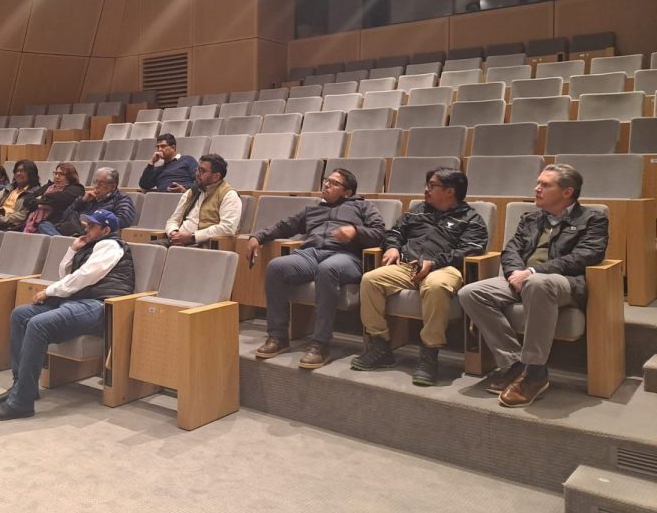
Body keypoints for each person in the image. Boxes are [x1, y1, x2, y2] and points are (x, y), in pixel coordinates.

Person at [458, 164, 608, 408]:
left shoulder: (592, 219)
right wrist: (515, 274)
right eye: (538, 183)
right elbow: (511, 250)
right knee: (470, 293)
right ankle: (516, 364)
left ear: (567, 192)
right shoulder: (531, 218)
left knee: (537, 283)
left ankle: (535, 372)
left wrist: (532, 272)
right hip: (522, 279)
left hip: (563, 282)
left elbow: (586, 255)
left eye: (545, 185)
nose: (537, 188)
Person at [0, 209, 135, 420]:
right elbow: (66, 276)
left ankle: (21, 402)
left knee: (37, 324)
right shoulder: (90, 246)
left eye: (92, 225)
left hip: (100, 305)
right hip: (79, 301)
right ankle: (22, 386)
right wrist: (72, 250)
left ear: (106, 230)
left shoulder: (110, 245)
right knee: (20, 315)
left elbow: (84, 277)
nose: (86, 228)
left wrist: (49, 292)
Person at [351, 168, 489, 386]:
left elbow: (470, 250)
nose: (426, 189)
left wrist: (434, 263)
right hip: (408, 266)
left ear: (450, 191)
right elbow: (394, 232)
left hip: (445, 268)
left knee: (435, 286)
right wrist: (393, 247)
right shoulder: (417, 211)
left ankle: (429, 354)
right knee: (371, 279)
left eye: (432, 186)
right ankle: (380, 346)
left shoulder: (471, 219)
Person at [250, 169, 386, 369]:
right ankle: (278, 336)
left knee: (327, 269)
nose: (326, 185)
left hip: (346, 256)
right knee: (276, 267)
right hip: (311, 254)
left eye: (334, 183)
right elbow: (284, 226)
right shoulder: (313, 210)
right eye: (326, 181)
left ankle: (320, 344)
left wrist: (355, 231)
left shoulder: (363, 207)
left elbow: (380, 233)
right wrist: (258, 236)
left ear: (347, 192)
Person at [153, 154, 241, 247]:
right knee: (148, 249)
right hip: (177, 241)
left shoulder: (229, 195)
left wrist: (193, 237)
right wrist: (174, 233)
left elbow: (228, 227)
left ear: (216, 176)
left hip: (203, 244)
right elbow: (173, 220)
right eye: (198, 169)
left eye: (202, 171)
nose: (197, 174)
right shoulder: (191, 192)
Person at [54, 166, 136, 235]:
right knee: (47, 225)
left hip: (94, 235)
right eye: (95, 182)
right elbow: (64, 217)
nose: (96, 186)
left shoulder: (121, 198)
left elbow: (123, 220)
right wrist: (82, 201)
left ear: (113, 187)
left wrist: (93, 224)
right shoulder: (89, 198)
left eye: (101, 183)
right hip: (73, 230)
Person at [0, 160, 42, 231]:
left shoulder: (35, 193)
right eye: (17, 171)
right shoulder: (9, 188)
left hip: (11, 226)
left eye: (22, 171)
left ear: (31, 174)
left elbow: (23, 215)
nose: (18, 173)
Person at [24, 163, 85, 234]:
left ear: (70, 177)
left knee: (43, 225)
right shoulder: (49, 186)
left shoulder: (76, 188)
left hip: (56, 224)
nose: (57, 177)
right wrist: (40, 204)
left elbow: (57, 198)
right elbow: (27, 200)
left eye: (61, 174)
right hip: (35, 223)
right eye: (56, 173)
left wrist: (42, 198)